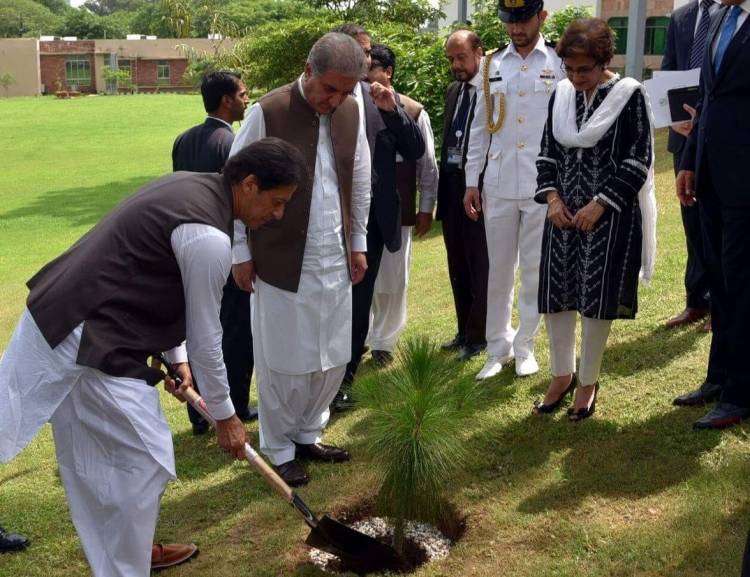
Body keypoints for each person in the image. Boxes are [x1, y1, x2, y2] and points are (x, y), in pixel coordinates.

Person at [0, 138, 306, 577]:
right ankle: (129, 559)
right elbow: (207, 337)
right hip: (80, 329)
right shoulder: (208, 238)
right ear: (250, 185)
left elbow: (164, 284)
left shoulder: (195, 187)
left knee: (118, 456)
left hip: (82, 321)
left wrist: (175, 357)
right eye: (276, 203)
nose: (277, 215)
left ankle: (129, 553)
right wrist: (226, 416)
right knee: (143, 457)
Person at [229, 33, 372, 486]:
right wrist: (239, 251)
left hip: (336, 254)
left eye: (346, 91)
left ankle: (309, 433)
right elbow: (232, 183)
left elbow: (361, 176)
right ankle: (277, 445)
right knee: (284, 360)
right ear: (308, 71)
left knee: (331, 357)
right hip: (280, 257)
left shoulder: (352, 110)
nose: (336, 99)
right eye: (330, 89)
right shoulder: (266, 111)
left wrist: (358, 242)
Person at [531, 17, 656, 420]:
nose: (576, 76)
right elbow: (547, 152)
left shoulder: (628, 95)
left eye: (584, 69)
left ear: (605, 62)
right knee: (558, 296)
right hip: (562, 216)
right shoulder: (561, 95)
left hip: (608, 217)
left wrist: (600, 203)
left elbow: (639, 158)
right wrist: (552, 199)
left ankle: (588, 380)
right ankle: (560, 375)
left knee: (596, 300)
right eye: (569, 68)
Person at [463, 0, 565, 380]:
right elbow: (479, 128)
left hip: (543, 183)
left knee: (535, 268)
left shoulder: (558, 62)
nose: (516, 29)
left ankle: (525, 346)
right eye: (510, 21)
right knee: (499, 269)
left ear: (542, 17)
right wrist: (472, 180)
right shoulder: (491, 65)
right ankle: (496, 348)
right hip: (500, 182)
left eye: (523, 20)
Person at [331, 25, 425, 402]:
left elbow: (415, 150)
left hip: (370, 219)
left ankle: (344, 381)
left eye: (368, 53)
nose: (366, 59)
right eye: (358, 51)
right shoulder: (322, 98)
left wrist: (394, 113)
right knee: (330, 303)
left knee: (358, 302)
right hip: (327, 218)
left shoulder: (380, 98)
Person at [676, 0, 750, 429]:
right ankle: (719, 378)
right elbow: (706, 97)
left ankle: (742, 391)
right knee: (719, 279)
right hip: (711, 175)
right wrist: (689, 159)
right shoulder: (722, 17)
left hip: (746, 181)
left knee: (743, 283)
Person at [173, 70, 259, 435]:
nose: (246, 99)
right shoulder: (232, 143)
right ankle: (234, 406)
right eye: (242, 94)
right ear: (225, 100)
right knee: (234, 332)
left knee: (199, 326)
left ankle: (198, 413)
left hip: (186, 247)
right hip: (223, 248)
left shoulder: (182, 141)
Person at [366, 43, 438, 364]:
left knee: (393, 279)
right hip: (360, 207)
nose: (365, 77)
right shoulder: (352, 107)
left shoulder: (412, 111)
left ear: (387, 72)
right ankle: (364, 337)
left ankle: (384, 342)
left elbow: (427, 166)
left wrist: (426, 209)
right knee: (362, 275)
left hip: (398, 207)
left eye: (371, 69)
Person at [661, 0, 719, 330]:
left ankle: (722, 302)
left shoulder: (734, 15)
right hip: (684, 137)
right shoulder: (682, 16)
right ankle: (697, 301)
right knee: (692, 222)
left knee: (720, 223)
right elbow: (670, 69)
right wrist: (673, 119)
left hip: (721, 133)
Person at [438, 30, 490, 362]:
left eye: (461, 58)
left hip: (481, 190)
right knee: (456, 262)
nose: (456, 65)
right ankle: (463, 329)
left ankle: (479, 336)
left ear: (479, 53)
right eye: (451, 59)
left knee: (479, 263)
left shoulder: (492, 89)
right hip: (453, 188)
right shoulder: (453, 92)